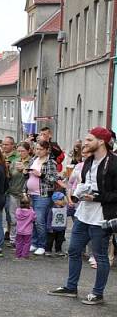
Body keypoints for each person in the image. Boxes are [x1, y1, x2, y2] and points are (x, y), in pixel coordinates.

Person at [48, 127, 117, 305]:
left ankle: (98, 293)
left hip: (101, 215)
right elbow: (85, 183)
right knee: (73, 250)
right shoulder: (89, 161)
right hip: (83, 213)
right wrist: (76, 195)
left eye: (89, 139)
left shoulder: (114, 163)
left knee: (100, 255)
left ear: (101, 141)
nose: (85, 143)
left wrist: (97, 197)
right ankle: (71, 287)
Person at [26, 140, 58, 255]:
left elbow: (54, 179)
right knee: (33, 219)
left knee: (40, 220)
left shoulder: (50, 162)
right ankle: (34, 243)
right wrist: (26, 172)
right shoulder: (33, 159)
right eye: (36, 149)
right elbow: (29, 175)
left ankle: (42, 245)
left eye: (40, 149)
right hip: (31, 193)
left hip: (42, 195)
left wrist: (41, 175)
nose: (38, 151)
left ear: (46, 150)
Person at [5, 141, 31, 246]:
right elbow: (10, 176)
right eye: (19, 151)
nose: (21, 153)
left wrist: (24, 170)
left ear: (29, 151)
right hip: (13, 192)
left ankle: (26, 239)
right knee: (13, 217)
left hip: (26, 193)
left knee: (27, 217)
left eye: (23, 151)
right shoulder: (15, 161)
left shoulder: (31, 162)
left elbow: (32, 176)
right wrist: (6, 169)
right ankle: (13, 240)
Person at [45, 191, 68, 257]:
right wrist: (49, 227)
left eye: (63, 199)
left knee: (59, 240)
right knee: (50, 240)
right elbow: (49, 219)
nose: (63, 201)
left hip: (61, 228)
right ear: (55, 201)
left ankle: (58, 250)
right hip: (52, 228)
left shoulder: (65, 208)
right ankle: (48, 250)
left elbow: (69, 212)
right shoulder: (52, 209)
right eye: (61, 199)